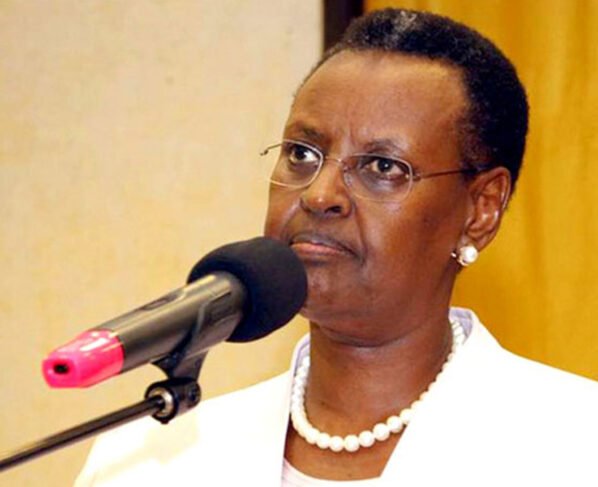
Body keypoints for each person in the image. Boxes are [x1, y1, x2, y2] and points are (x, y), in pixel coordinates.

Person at [75, 8, 598, 486]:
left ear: (481, 210)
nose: (319, 194)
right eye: (302, 154)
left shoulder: (575, 446)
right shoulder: (145, 460)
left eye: (383, 167)